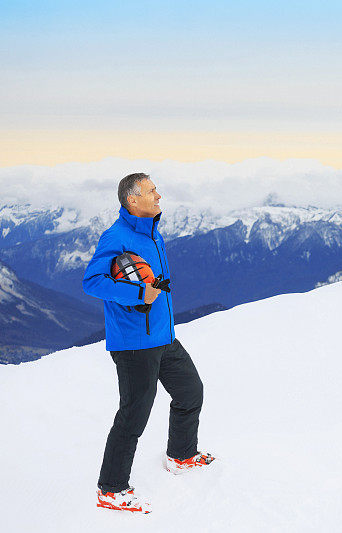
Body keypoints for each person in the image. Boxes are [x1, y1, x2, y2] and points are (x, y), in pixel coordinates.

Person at [83, 173, 215, 514]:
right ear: (133, 200)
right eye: (152, 190)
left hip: (162, 336)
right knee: (134, 414)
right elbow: (93, 282)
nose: (159, 194)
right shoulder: (116, 236)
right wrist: (138, 292)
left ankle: (181, 455)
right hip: (132, 343)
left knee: (190, 392)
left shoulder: (152, 233)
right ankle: (111, 489)